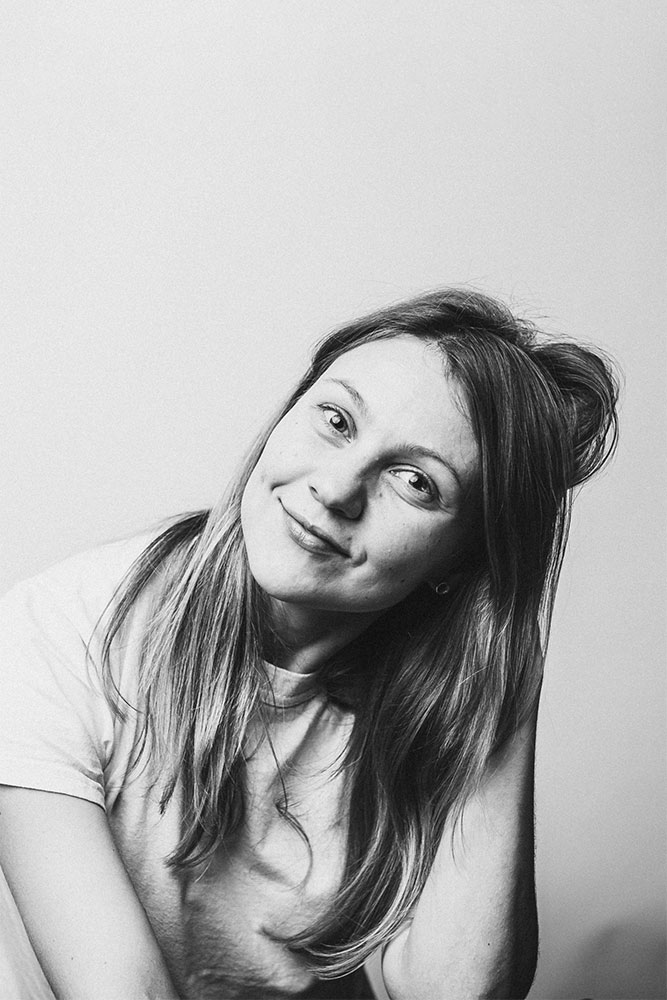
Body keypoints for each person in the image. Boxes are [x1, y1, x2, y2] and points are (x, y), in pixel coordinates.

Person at [0, 288, 618, 1000]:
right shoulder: (66, 626)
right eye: (336, 420)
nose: (336, 488)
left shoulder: (428, 704)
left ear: (461, 561)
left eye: (415, 481)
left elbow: (456, 992)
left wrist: (503, 645)